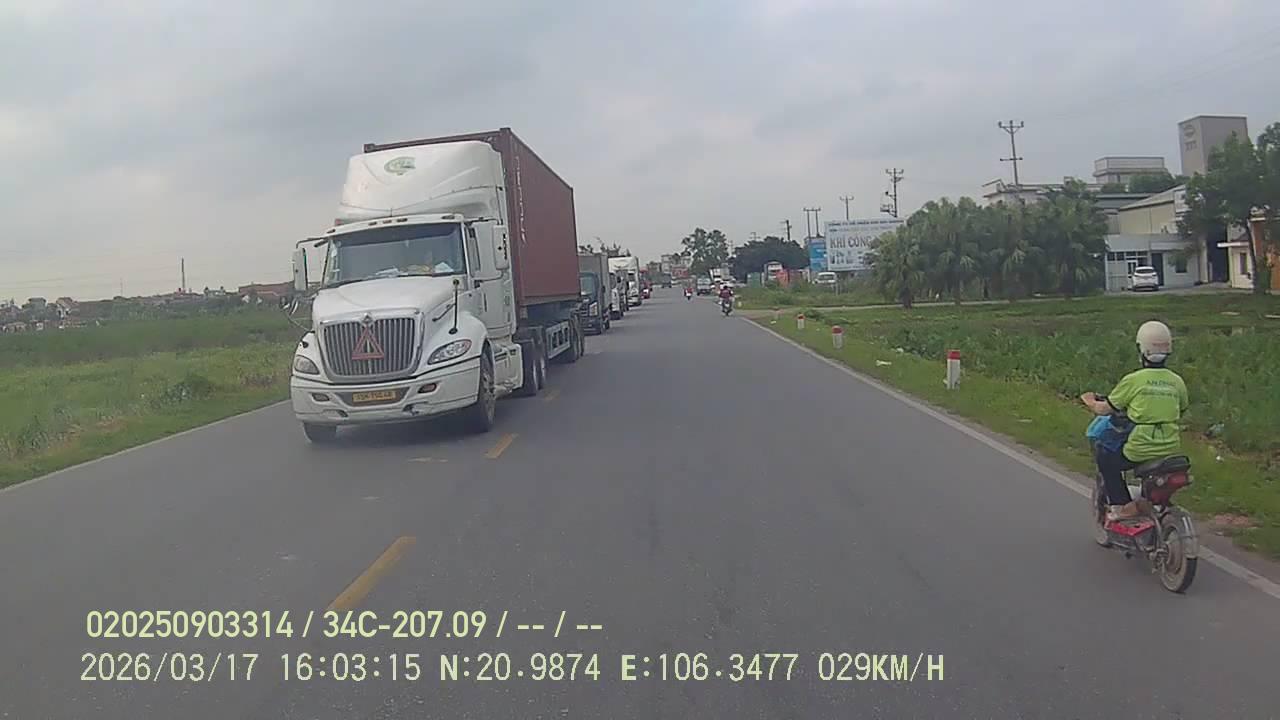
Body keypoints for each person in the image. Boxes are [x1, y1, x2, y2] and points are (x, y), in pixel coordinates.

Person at [1079, 321, 1189, 521]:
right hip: (1170, 446)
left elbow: (1104, 409)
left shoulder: (1134, 380)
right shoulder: (1177, 381)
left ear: (1141, 349)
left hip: (1140, 447)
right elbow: (1181, 408)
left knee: (1105, 455)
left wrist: (1089, 400)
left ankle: (1122, 505)